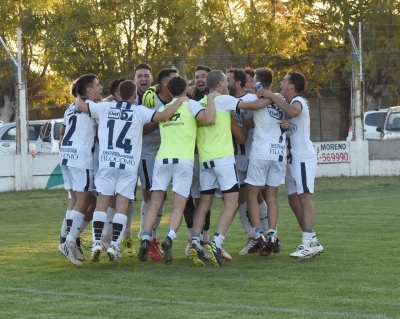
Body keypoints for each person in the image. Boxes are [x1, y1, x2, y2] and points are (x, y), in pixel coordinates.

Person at [74, 79, 183, 263]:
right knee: (122, 206)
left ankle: (97, 242)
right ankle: (115, 245)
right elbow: (164, 115)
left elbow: (80, 104)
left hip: (107, 163)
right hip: (128, 165)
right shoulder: (139, 111)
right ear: (134, 96)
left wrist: (105, 97)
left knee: (102, 203)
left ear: (118, 95)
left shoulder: (105, 108)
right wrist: (180, 99)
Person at [190, 70, 271, 268]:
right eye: (225, 81)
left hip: (205, 161)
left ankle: (195, 241)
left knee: (204, 204)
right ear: (219, 84)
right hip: (224, 160)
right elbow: (254, 105)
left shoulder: (199, 105)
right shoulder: (222, 100)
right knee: (232, 202)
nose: (227, 84)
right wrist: (274, 98)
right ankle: (217, 242)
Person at [137, 75, 216, 265]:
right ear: (185, 89)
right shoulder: (190, 104)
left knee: (155, 202)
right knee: (179, 205)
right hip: (183, 160)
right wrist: (211, 98)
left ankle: (146, 237)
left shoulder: (164, 108)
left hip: (162, 159)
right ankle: (170, 237)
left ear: (169, 91)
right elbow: (209, 119)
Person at [259, 71, 324, 259]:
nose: (281, 82)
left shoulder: (299, 102)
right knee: (293, 200)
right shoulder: (286, 102)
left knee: (304, 197)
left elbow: (294, 111)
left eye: (285, 80)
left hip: (303, 157)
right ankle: (312, 240)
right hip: (291, 159)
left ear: (292, 86)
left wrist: (271, 95)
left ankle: (306, 243)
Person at [225, 68, 271, 255]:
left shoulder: (251, 99)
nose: (224, 82)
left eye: (227, 79)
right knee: (239, 198)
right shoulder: (228, 101)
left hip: (252, 154)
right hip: (236, 156)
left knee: (253, 196)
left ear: (237, 82)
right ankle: (256, 236)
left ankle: (267, 235)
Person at [57, 74, 101, 266]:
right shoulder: (91, 107)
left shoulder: (70, 108)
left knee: (78, 200)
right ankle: (69, 242)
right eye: (97, 85)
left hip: (66, 155)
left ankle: (65, 237)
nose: (101, 88)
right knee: (84, 201)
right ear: (89, 90)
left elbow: (62, 131)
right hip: (81, 157)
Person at [244, 67, 287, 256]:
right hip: (278, 154)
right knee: (271, 197)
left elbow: (251, 107)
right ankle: (272, 234)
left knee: (251, 195)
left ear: (258, 82)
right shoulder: (280, 99)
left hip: (261, 153)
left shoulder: (254, 99)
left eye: (253, 80)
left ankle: (258, 233)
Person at [138, 68, 179, 261]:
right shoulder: (148, 99)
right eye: (140, 75)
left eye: (147, 76)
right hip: (148, 153)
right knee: (151, 196)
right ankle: (148, 239)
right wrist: (162, 117)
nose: (144, 79)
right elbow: (142, 129)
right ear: (164, 83)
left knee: (161, 196)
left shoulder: (178, 99)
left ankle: (149, 238)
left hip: (169, 153)